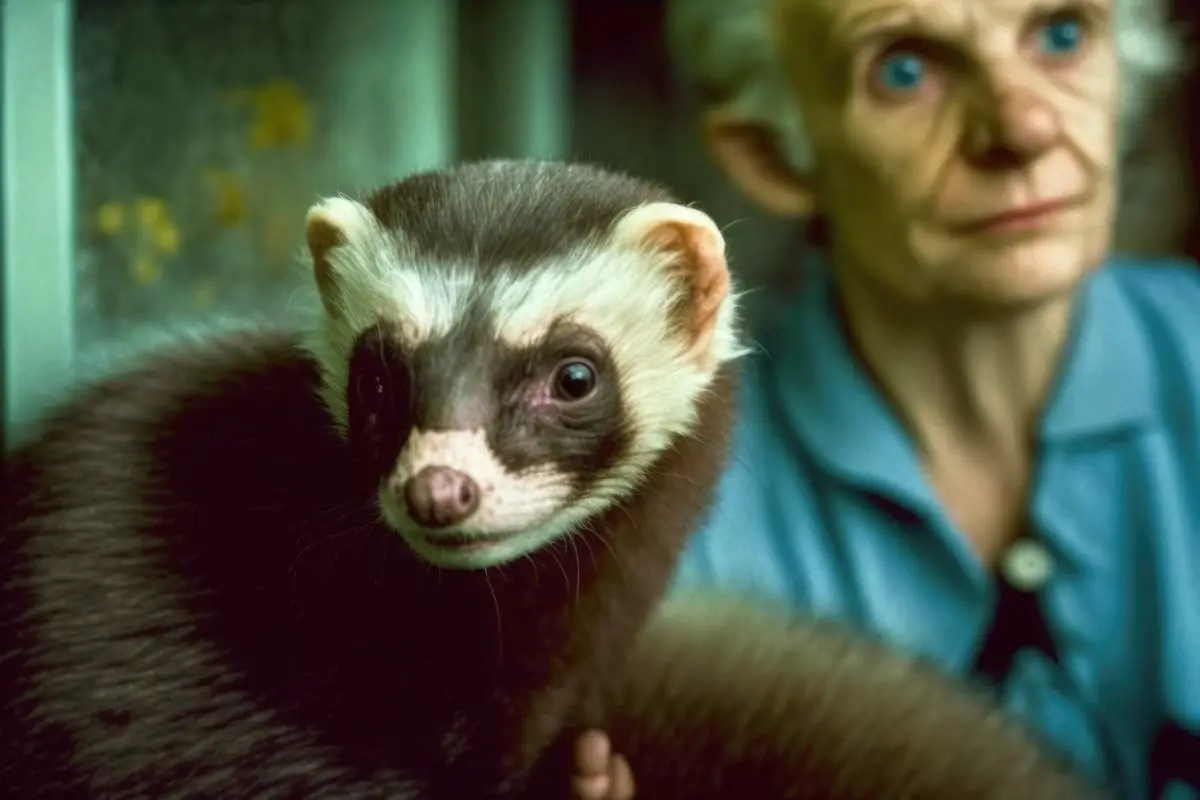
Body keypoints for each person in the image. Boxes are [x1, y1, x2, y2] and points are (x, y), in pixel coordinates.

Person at [570, 0, 1200, 797]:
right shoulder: (650, 504)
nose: (1023, 126)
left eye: (1062, 34)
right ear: (774, 156)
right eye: (905, 68)